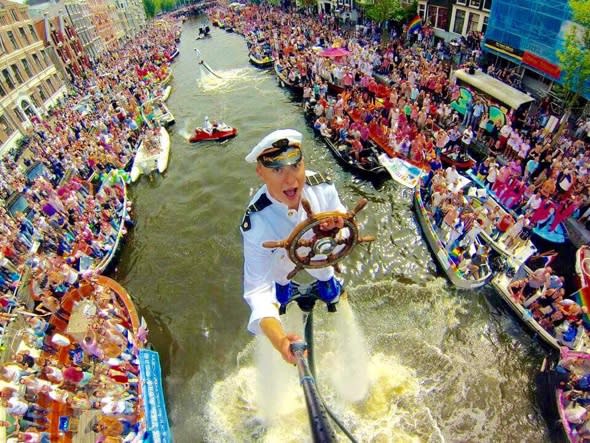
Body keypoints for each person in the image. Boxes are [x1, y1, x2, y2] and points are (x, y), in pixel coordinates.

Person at [240, 129, 346, 364]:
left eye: (295, 167)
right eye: (277, 170)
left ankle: (327, 283)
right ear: (260, 172)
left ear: (304, 163)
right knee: (279, 285)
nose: (290, 180)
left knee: (326, 273)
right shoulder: (257, 222)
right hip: (282, 265)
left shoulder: (322, 188)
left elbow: (345, 221)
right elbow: (257, 290)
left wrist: (339, 228)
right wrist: (280, 341)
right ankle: (283, 293)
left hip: (321, 255)